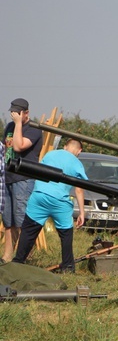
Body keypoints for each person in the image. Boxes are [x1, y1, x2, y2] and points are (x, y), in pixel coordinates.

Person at [12, 139, 87, 273]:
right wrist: (82, 212)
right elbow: (79, 189)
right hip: (60, 201)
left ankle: (18, 262)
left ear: (65, 146)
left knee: (28, 231)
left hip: (39, 196)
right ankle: (68, 267)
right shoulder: (77, 163)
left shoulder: (50, 154)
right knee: (66, 234)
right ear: (79, 151)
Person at [3, 98, 44, 263]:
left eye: (17, 113)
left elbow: (19, 146)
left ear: (26, 112)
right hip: (8, 177)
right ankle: (7, 257)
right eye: (12, 113)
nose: (14, 116)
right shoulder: (9, 127)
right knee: (8, 220)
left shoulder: (33, 129)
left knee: (21, 219)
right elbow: (6, 148)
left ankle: (24, 258)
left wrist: (19, 123)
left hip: (24, 179)